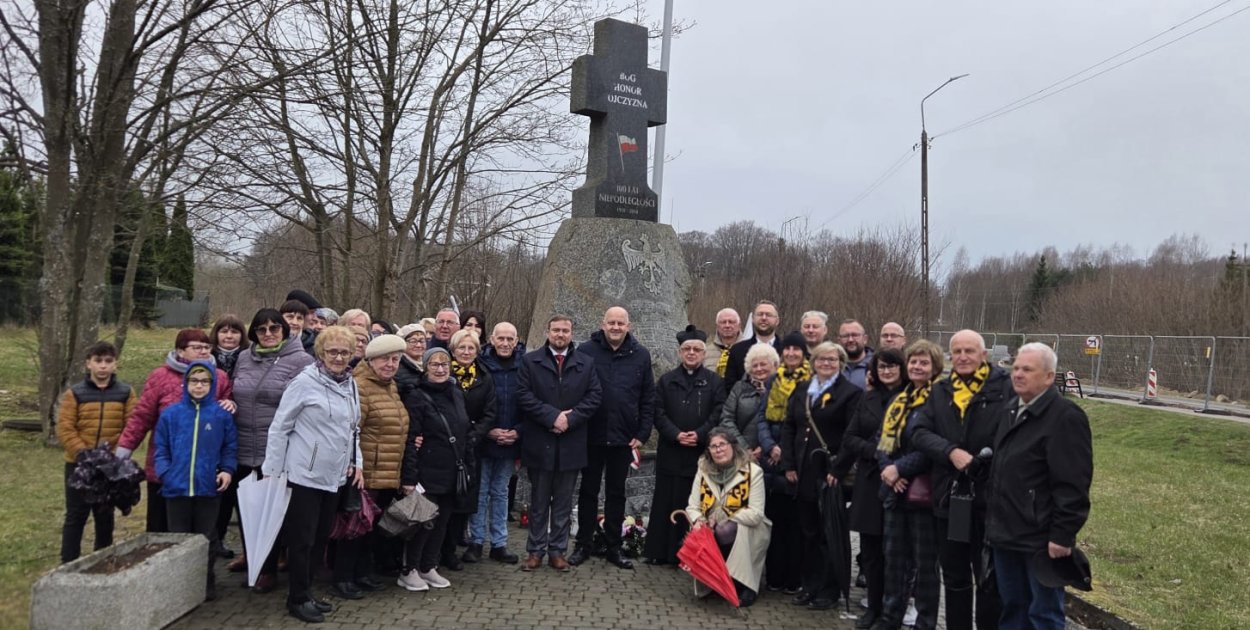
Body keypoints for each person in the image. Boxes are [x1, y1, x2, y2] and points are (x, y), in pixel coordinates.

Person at [987, 343, 1092, 630]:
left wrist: (1063, 535)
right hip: (1006, 533)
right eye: (1016, 368)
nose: (1018, 374)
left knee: (1043, 615)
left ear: (1048, 377)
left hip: (1040, 539)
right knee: (1012, 609)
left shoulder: (1065, 417)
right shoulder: (1011, 410)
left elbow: (1073, 483)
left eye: (1027, 369)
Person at [262, 325, 364, 623]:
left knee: (320, 538)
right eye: (332, 351)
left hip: (335, 476)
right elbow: (280, 427)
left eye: (344, 352)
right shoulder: (304, 382)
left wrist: (356, 462)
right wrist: (273, 471)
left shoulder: (349, 384)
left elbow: (353, 429)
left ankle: (307, 592)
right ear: (320, 352)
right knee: (302, 540)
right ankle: (296, 598)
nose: (338, 357)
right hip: (304, 474)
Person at [911, 330, 1012, 630]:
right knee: (954, 577)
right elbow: (918, 432)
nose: (963, 357)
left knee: (988, 579)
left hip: (989, 500)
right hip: (950, 497)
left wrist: (984, 459)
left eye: (970, 351)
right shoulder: (940, 391)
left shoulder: (1005, 387)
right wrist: (949, 451)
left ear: (984, 355)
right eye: (957, 351)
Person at [223, 308, 316, 588]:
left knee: (272, 509)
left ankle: (269, 568)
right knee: (247, 506)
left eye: (274, 328)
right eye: (261, 329)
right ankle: (252, 559)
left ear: (284, 331)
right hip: (242, 443)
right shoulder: (244, 358)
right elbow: (234, 390)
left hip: (276, 447)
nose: (268, 334)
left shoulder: (301, 360)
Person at [116, 329, 234, 533]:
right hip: (167, 466)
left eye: (207, 347)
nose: (204, 351)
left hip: (203, 471)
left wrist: (231, 404)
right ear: (180, 350)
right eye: (197, 347)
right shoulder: (160, 376)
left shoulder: (220, 377)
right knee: (161, 526)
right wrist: (124, 449)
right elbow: (142, 416)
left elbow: (225, 412)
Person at [571, 306, 656, 570]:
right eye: (611, 323)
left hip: (624, 438)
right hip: (592, 435)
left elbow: (648, 398)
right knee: (588, 492)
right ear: (603, 324)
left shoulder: (640, 355)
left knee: (616, 494)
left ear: (629, 326)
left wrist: (642, 433)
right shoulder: (586, 351)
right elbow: (576, 391)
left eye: (620, 323)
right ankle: (583, 544)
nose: (616, 327)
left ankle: (613, 548)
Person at [516, 315, 602, 572]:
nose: (560, 334)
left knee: (564, 503)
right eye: (556, 330)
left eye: (565, 330)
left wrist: (570, 419)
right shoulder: (530, 361)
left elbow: (594, 396)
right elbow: (524, 395)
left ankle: (558, 551)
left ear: (571, 333)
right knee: (539, 502)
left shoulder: (586, 363)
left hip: (571, 443)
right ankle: (535, 551)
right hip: (540, 440)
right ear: (548, 331)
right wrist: (551, 417)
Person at [782, 341, 863, 610]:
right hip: (804, 472)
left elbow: (852, 436)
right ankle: (810, 585)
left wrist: (838, 470)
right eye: (821, 359)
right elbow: (790, 426)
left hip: (829, 475)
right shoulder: (803, 389)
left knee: (829, 534)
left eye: (832, 359)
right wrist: (789, 464)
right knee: (808, 532)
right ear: (813, 362)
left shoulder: (850, 393)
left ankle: (829, 590)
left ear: (840, 363)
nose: (826, 363)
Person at [332, 334, 412, 599]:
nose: (390, 364)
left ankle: (363, 573)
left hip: (387, 470)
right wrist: (355, 466)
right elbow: (352, 430)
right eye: (384, 359)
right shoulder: (361, 387)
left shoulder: (390, 386)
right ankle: (344, 577)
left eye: (395, 359)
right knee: (354, 527)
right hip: (366, 472)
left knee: (370, 527)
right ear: (371, 360)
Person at [873, 340, 944, 630]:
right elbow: (881, 439)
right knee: (894, 559)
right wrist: (887, 468)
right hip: (894, 490)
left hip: (923, 493)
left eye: (924, 362)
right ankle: (890, 617)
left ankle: (925, 622)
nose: (917, 367)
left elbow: (934, 445)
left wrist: (899, 468)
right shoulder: (899, 399)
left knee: (925, 566)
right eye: (913, 361)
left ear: (935, 368)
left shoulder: (940, 400)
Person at [833, 348, 905, 629]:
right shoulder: (868, 398)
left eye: (892, 366)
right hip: (869, 481)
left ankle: (892, 611)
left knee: (896, 554)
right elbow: (850, 438)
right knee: (871, 552)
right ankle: (873, 607)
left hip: (899, 480)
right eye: (882, 367)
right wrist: (873, 452)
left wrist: (893, 462)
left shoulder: (911, 397)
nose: (886, 371)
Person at [153, 362, 237, 602]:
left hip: (208, 487)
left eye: (204, 382)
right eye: (194, 381)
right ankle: (180, 585)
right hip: (176, 488)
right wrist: (165, 473)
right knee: (179, 538)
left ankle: (205, 583)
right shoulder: (171, 414)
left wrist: (227, 470)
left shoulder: (221, 416)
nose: (199, 386)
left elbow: (229, 447)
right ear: (186, 383)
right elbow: (161, 448)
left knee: (206, 537)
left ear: (212, 385)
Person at [645, 325, 726, 565]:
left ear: (703, 353)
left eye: (696, 350)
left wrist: (700, 435)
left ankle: (689, 553)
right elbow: (657, 412)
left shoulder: (714, 382)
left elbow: (718, 412)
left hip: (699, 453)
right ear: (680, 352)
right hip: (671, 450)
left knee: (695, 502)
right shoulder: (666, 380)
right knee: (665, 499)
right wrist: (676, 434)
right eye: (687, 349)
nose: (691, 353)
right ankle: (660, 552)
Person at [395, 346, 467, 593]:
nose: (440, 369)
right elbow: (411, 438)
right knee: (423, 522)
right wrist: (409, 477)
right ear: (425, 368)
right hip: (426, 470)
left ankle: (428, 565)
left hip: (451, 469)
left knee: (442, 521)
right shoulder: (417, 396)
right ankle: (409, 570)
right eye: (434, 364)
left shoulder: (456, 393)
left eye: (444, 364)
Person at [57, 341, 136, 563]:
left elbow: (131, 425)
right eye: (98, 361)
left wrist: (115, 455)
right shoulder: (75, 393)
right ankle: (68, 563)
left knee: (105, 515)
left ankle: (103, 560)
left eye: (108, 361)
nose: (103, 366)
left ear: (115, 364)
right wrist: (82, 453)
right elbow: (65, 427)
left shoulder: (125, 392)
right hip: (78, 464)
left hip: (109, 465)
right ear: (88, 364)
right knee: (76, 515)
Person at [684, 428, 771, 607]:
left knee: (725, 529)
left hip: (748, 527)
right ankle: (717, 578)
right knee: (703, 531)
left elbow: (756, 514)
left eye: (722, 444)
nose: (718, 450)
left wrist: (722, 516)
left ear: (733, 446)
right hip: (712, 524)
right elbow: (692, 506)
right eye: (713, 446)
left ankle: (744, 585)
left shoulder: (753, 471)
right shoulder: (703, 469)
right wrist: (700, 521)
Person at [755, 330, 810, 593]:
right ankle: (774, 576)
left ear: (804, 353)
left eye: (796, 349)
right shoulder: (773, 380)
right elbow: (762, 419)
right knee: (774, 521)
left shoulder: (811, 382)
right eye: (787, 349)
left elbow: (804, 425)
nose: (791, 353)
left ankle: (794, 578)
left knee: (795, 524)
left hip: (796, 462)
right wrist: (769, 446)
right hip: (771, 461)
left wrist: (786, 454)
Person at [444, 329, 496, 569]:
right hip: (445, 445)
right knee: (443, 500)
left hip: (471, 447)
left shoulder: (484, 377)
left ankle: (451, 550)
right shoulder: (443, 373)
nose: (466, 352)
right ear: (453, 350)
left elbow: (490, 412)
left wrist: (474, 436)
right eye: (461, 348)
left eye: (471, 348)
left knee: (463, 499)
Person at [473, 322, 525, 564]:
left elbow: (530, 402)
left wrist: (517, 432)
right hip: (484, 439)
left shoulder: (525, 366)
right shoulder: (479, 364)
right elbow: (472, 402)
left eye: (510, 339)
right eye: (500, 338)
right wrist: (487, 431)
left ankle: (499, 543)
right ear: (492, 339)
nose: (505, 343)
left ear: (516, 340)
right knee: (480, 492)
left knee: (501, 492)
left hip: (511, 439)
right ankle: (476, 541)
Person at [718, 343, 776, 454]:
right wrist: (744, 447)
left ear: (774, 365)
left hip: (773, 454)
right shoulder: (739, 387)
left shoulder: (782, 388)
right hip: (741, 454)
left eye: (763, 364)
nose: (759, 369)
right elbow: (726, 419)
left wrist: (766, 447)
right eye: (755, 365)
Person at [724, 301, 782, 386]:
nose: (764, 318)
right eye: (760, 314)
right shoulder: (737, 350)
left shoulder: (787, 351)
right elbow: (730, 385)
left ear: (777, 321)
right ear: (753, 319)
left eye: (768, 315)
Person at [703, 307, 742, 377]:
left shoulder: (751, 350)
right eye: (723, 322)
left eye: (731, 322)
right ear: (717, 326)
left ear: (739, 325)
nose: (727, 325)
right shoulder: (705, 353)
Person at [838, 319, 874, 390]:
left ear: (865, 339)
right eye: (845, 336)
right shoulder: (832, 366)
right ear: (839, 341)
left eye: (855, 335)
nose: (850, 340)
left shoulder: (876, 365)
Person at [209, 315, 249, 379]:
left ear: (242, 335)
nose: (229, 336)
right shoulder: (207, 357)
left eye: (234, 332)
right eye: (224, 331)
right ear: (216, 334)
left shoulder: (250, 357)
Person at [394, 323, 428, 393]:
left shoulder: (429, 364)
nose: (418, 345)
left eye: (422, 341)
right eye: (413, 341)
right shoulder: (397, 368)